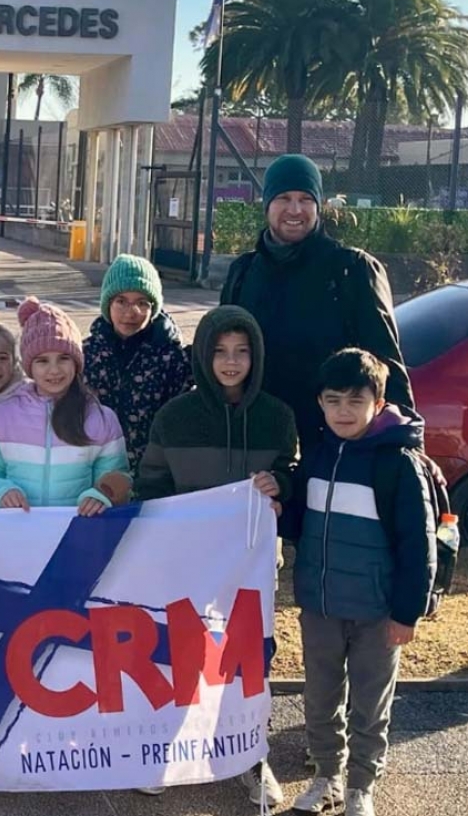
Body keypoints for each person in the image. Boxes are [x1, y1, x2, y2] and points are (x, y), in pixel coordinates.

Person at [135, 305, 298, 807]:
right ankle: (170, 750)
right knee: (182, 654)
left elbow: (293, 473)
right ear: (203, 356)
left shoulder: (277, 417)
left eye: (241, 351)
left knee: (250, 659)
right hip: (187, 564)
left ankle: (251, 756)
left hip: (251, 565)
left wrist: (281, 485)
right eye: (220, 351)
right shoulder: (174, 417)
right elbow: (150, 487)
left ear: (256, 357)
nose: (230, 362)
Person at [288, 349, 436, 816]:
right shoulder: (317, 455)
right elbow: (295, 521)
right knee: (320, 697)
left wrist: (407, 612)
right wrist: (272, 493)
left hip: (378, 612)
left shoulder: (398, 463)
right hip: (321, 606)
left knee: (370, 704)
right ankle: (326, 776)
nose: (344, 411)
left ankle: (361, 786)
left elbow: (418, 544)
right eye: (333, 400)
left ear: (379, 402)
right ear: (320, 402)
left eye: (356, 400)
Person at [220, 154, 413, 455]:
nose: (295, 210)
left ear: (319, 205)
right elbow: (220, 352)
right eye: (283, 198)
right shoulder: (243, 272)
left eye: (305, 199)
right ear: (266, 204)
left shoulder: (352, 270)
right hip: (258, 443)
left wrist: (407, 443)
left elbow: (386, 364)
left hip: (333, 448)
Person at [0, 297, 130, 516]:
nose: (54, 370)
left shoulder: (101, 418)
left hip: (76, 529)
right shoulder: (0, 417)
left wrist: (101, 495)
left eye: (63, 358)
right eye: (42, 361)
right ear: (28, 366)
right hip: (15, 529)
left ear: (76, 362)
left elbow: (117, 476)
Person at [84, 254, 193, 472]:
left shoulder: (172, 359)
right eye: (121, 301)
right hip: (96, 470)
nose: (130, 312)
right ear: (107, 303)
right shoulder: (87, 353)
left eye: (142, 303)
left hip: (153, 472)